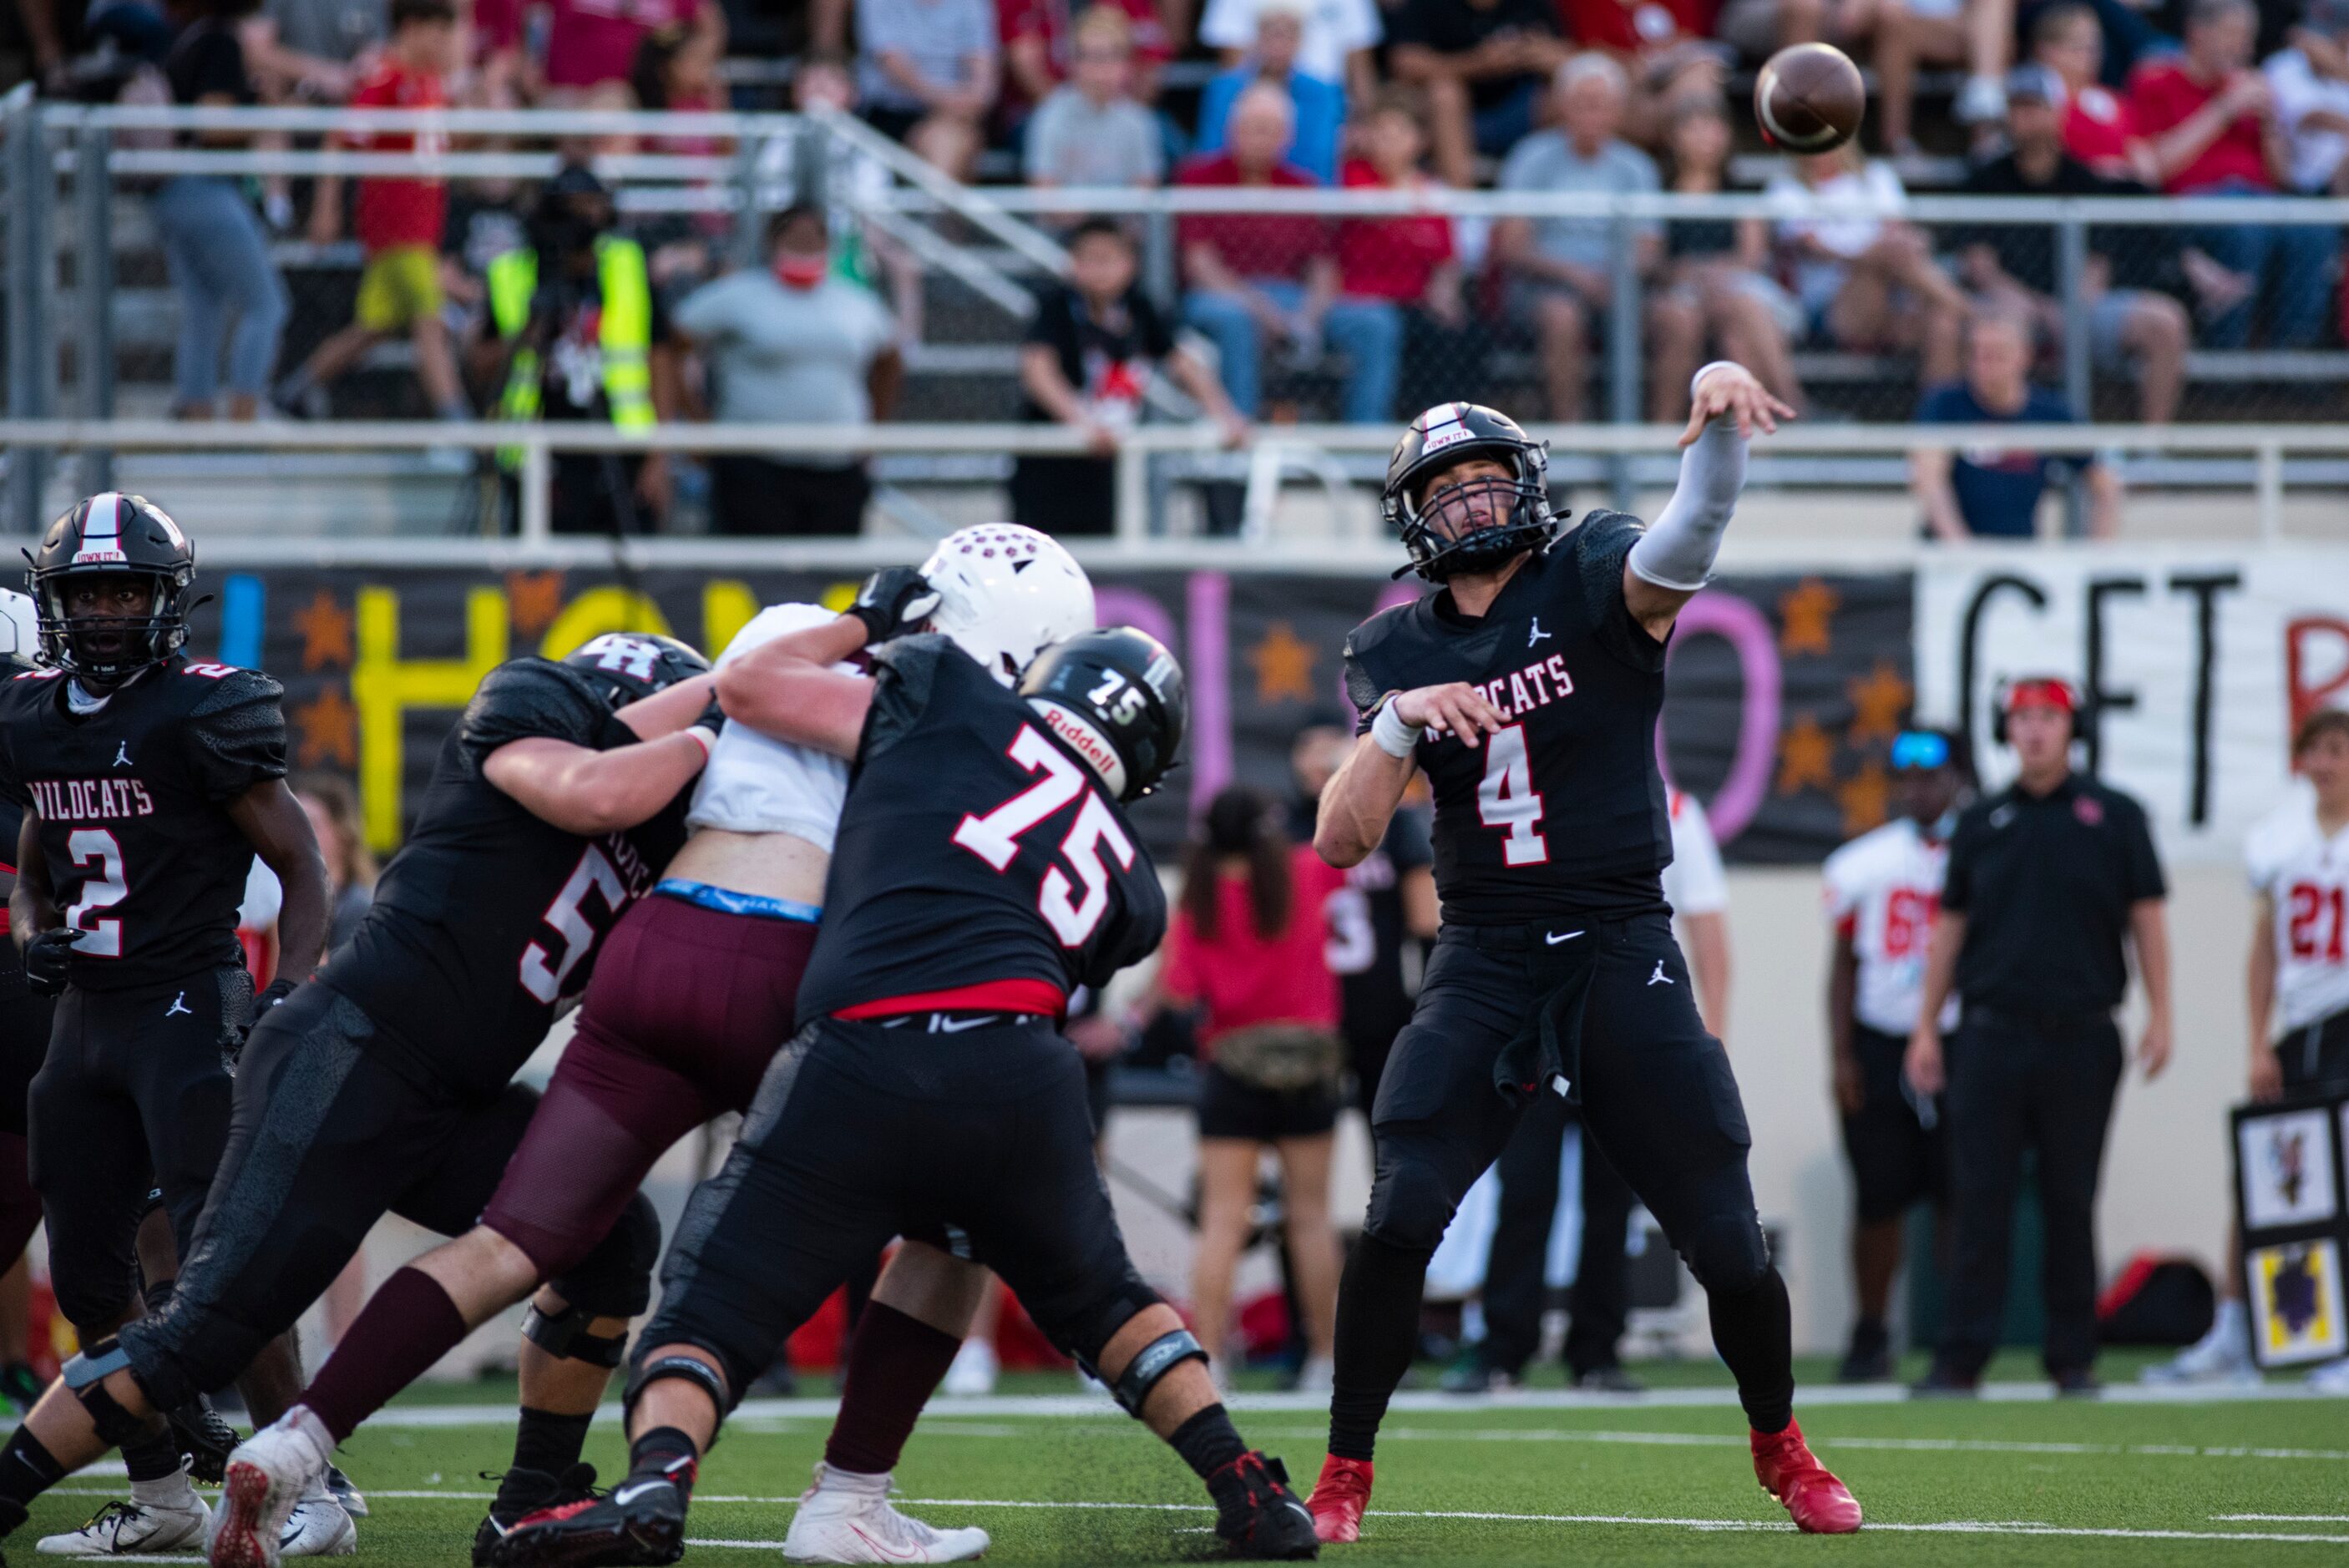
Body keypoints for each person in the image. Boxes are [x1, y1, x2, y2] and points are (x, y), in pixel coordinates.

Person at [223, 527, 1098, 1564]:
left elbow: (701, 711)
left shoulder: (787, 634)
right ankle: (842, 1496)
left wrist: (848, 630)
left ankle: (300, 1438)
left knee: (512, 1241)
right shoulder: (966, 723)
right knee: (944, 1226)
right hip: (782, 974)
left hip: (653, 951)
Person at [493, 609, 1323, 1565]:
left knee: (708, 1305)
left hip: (865, 1051)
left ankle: (656, 1482)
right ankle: (1243, 1485)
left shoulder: (951, 696)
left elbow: (762, 685)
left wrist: (869, 626)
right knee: (1100, 1298)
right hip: (1018, 1073)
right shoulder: (1133, 882)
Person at [0, 629, 720, 1565]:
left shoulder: (664, 826)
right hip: (347, 1054)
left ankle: (531, 1498)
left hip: (450, 1089)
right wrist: (725, 714)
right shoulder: (532, 720)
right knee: (204, 1330)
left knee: (613, 1239)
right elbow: (599, 790)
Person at [1300, 374, 1863, 1542]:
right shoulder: (1391, 646)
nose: (1471, 501)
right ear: (1412, 516)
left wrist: (1715, 437)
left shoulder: (1593, 571)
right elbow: (1340, 836)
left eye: (1486, 478)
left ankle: (1782, 1442)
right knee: (1402, 1212)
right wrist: (1401, 720)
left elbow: (1691, 532)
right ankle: (1344, 1469)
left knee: (1724, 1236)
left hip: (1617, 940)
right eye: (1445, 490)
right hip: (1484, 952)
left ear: (1529, 480)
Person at [0, 494, 331, 1557]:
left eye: (123, 591)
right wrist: (30, 936)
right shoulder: (37, 714)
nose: (103, 612)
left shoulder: (201, 709)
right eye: (87, 592)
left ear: (162, 599)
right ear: (55, 601)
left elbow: (301, 865)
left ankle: (309, 1483)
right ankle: (161, 1498)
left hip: (184, 1005)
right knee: (90, 1275)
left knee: (216, 1260)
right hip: (83, 1021)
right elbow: (39, 862)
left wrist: (299, 990)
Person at [1906, 676, 2173, 1395]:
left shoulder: (2113, 816)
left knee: (2069, 1197)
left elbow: (2145, 917)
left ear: (2070, 727)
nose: (2033, 730)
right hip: (1989, 1037)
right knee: (1979, 1197)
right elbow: (1949, 929)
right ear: (2004, 730)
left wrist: (2163, 1013)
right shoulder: (1981, 820)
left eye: (2046, 716)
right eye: (2020, 717)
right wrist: (1926, 1027)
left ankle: (2071, 1357)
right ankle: (1960, 1358)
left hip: (2082, 1037)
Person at [1455, 785, 1734, 1394]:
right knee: (1524, 1186)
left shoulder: (1673, 810)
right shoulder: (1538, 795)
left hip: (1623, 1025)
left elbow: (1707, 927)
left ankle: (1596, 1348)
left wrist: (1705, 1038)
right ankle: (1503, 1346)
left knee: (1612, 1199)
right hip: (1540, 1020)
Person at [2147, 708, 2349, 1391]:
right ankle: (2234, 1326)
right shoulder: (2279, 839)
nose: (2322, 763)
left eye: (2336, 749)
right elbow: (2264, 948)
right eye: (2313, 750)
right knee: (2265, 1176)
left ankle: (2338, 1338)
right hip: (2301, 1025)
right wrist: (2257, 1041)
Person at [1147, 786, 1347, 1390]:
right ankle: (1324, 1359)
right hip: (1310, 1062)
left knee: (1222, 1220)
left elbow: (1177, 992)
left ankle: (1211, 1360)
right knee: (1310, 1220)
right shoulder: (1306, 873)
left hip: (1231, 1066)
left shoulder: (1199, 898)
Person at [1821, 728, 1965, 1383]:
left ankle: (1955, 1335)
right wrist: (1843, 1057)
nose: (1915, 789)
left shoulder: (1980, 849)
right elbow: (1843, 966)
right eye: (1904, 777)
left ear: (1956, 779)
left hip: (1961, 1039)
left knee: (1957, 1192)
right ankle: (1871, 1331)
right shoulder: (1864, 862)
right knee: (1877, 1197)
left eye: (1929, 776)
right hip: (1881, 1041)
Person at [1955, 64, 2190, 427]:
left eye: (2034, 108)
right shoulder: (1986, 178)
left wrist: (2070, 310)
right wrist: (2037, 309)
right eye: (2016, 108)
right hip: (2012, 306)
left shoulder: (2084, 179)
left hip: (2077, 306)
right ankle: (1984, 450)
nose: (2023, 119)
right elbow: (1980, 266)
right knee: (1987, 326)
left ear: (2058, 113)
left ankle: (2150, 453)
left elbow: (2099, 263)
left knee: (2164, 322)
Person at [273, 0, 470, 428]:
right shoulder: (386, 77)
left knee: (373, 327)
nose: (442, 45)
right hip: (397, 230)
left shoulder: (430, 82)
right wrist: (327, 208)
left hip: (423, 228)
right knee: (429, 322)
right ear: (411, 27)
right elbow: (341, 137)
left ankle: (294, 391)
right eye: (436, 34)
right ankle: (460, 431)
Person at [476, 164, 683, 535]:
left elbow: (661, 358)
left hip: (622, 447)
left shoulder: (626, 264)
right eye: (572, 212)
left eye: (592, 211)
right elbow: (478, 365)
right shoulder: (514, 272)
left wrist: (658, 456)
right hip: (537, 451)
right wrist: (530, 330)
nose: (582, 225)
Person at [671, 206, 903, 537]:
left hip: (836, 469)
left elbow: (890, 360)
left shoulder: (855, 302)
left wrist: (873, 431)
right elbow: (672, 345)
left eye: (812, 237)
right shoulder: (738, 296)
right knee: (753, 577)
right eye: (794, 236)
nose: (804, 245)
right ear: (772, 240)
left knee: (832, 578)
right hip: (753, 468)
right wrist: (697, 423)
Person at [1015, 219, 1248, 537]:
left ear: (1130, 265)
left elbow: (1184, 363)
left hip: (1107, 460)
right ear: (1074, 264)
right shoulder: (1055, 306)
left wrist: (1225, 416)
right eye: (1090, 259)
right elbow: (1039, 370)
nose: (1101, 270)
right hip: (1052, 458)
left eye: (1109, 259)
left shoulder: (1140, 309)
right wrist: (1081, 423)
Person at [2129, 0, 2334, 347]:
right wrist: (2223, 109)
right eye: (2232, 35)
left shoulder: (2253, 87)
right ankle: (2225, 360)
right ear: (2197, 32)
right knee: (2243, 228)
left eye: (2247, 38)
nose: (2243, 48)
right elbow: (2156, 165)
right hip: (2190, 206)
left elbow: (2282, 177)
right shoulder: (2157, 80)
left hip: (2262, 201)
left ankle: (2293, 357)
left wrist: (2270, 125)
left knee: (2313, 230)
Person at [1494, 55, 1661, 425]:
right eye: (1583, 103)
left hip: (1620, 287)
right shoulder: (1531, 158)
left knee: (1677, 316)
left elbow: (1649, 249)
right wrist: (1577, 277)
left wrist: (1616, 278)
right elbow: (1513, 245)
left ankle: (1657, 437)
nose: (1592, 114)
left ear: (1619, 110)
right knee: (1562, 315)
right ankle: (1571, 433)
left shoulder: (1636, 167)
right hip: (1544, 287)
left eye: (1602, 104)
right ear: (1562, 106)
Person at [1287, 720, 1436, 1119]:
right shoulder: (1284, 827)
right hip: (1307, 1008)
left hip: (1377, 1003)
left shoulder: (1397, 823)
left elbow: (1426, 922)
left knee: (1388, 1126)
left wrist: (1430, 1002)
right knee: (1306, 1136)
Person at [152, 0, 291, 422]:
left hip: (174, 189)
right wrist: (273, 116)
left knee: (203, 309)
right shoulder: (218, 41)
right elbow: (213, 125)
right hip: (202, 186)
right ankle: (242, 419)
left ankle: (198, 416)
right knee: (267, 305)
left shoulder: (191, 38)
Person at [1651, 94, 1806, 422]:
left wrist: (1713, 273)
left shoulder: (1741, 192)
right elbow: (1653, 261)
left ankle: (1764, 426)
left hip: (1733, 292)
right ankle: (1794, 408)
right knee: (1713, 317)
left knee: (1738, 322)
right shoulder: (1659, 194)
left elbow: (1751, 259)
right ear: (1673, 137)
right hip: (1682, 294)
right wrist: (1691, 273)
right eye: (1694, 127)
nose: (1705, 136)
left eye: (1712, 127)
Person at [1764, 144, 1964, 393]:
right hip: (1832, 310)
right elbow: (1815, 247)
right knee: (1883, 257)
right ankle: (1974, 313)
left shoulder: (1876, 175)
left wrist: (1894, 248)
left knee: (1943, 322)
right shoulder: (1786, 188)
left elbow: (1898, 231)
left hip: (1896, 298)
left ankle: (1935, 422)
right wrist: (1875, 253)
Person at [1334, 94, 1480, 426]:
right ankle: (1367, 433)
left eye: (1399, 133)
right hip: (1359, 301)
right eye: (1380, 132)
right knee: (1381, 327)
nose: (1388, 141)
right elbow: (1369, 206)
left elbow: (1446, 259)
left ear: (1420, 140)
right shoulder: (1352, 175)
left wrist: (1445, 295)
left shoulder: (1433, 191)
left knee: (1461, 333)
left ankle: (1449, 434)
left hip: (1415, 301)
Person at [1911, 308, 2120, 540]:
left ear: (2024, 356)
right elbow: (1929, 479)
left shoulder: (2049, 413)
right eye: (1976, 354)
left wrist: (2095, 557)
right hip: (1950, 556)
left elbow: (2105, 483)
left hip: (2020, 553)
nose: (1982, 365)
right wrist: (1962, 550)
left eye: (1995, 355)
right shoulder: (1945, 404)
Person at [1382, 0, 1562, 189]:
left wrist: (1540, 55)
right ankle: (1462, 207)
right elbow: (1404, 63)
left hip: (1519, 111)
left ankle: (1548, 196)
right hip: (1456, 117)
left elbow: (1568, 59)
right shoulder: (1428, 6)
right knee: (1445, 93)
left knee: (1560, 94)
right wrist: (1478, 63)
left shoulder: (1533, 5)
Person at [1195, 1, 1347, 185]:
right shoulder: (1223, 90)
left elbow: (1321, 158)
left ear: (1300, 41)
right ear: (1257, 37)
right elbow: (1212, 150)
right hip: (1229, 191)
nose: (1278, 44)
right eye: (1272, 33)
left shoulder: (1321, 94)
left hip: (1297, 195)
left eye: (1288, 35)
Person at [853, 0, 999, 181]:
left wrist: (973, 100)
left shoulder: (973, 4)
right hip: (888, 116)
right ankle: (940, 207)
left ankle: (935, 207)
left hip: (954, 116)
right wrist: (947, 99)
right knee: (947, 141)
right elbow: (891, 63)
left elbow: (983, 75)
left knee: (949, 138)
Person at [1023, 8, 1165, 190]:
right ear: (1072, 62)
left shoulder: (1139, 122)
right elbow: (1043, 195)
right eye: (1091, 57)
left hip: (1119, 219)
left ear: (1127, 64)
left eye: (1111, 57)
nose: (1101, 69)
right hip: (1068, 219)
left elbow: (1145, 197)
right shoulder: (1050, 116)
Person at [1197, 0, 1379, 104]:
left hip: (1329, 107)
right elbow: (1233, 66)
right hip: (1254, 109)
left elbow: (1360, 65)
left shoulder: (1322, 95)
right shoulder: (1225, 89)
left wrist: (1362, 121)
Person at [2265, 0, 2349, 195]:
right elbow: (2311, 117)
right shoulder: (2284, 63)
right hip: (2307, 190)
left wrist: (2341, 72)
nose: (2310, 43)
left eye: (2324, 37)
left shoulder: (2343, 69)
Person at [291, 773, 375, 958]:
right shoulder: (277, 900)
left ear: (342, 833)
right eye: (292, 823)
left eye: (311, 823)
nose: (297, 834)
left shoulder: (359, 909)